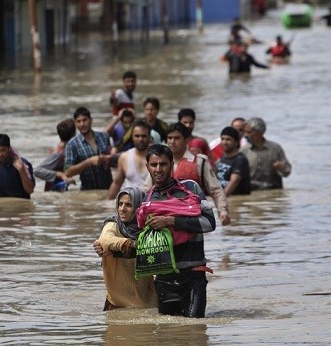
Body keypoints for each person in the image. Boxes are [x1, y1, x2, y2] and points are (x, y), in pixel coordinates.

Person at [141, 144, 216, 318]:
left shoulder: (191, 189)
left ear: (171, 165)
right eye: (154, 165)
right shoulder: (147, 200)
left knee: (195, 331)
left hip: (193, 274)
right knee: (169, 335)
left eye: (163, 164)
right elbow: (137, 235)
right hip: (163, 278)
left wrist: (171, 221)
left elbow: (209, 223)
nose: (158, 169)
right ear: (147, 167)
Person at [146, 122, 231, 226]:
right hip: (163, 219)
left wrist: (223, 211)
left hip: (192, 219)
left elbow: (216, 190)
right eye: (169, 138)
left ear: (186, 140)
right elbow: (146, 191)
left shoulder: (199, 162)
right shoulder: (158, 164)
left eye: (176, 138)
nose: (172, 142)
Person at [97, 186, 158, 311]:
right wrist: (130, 245)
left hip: (147, 302)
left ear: (138, 208)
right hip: (116, 304)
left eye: (129, 205)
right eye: (120, 204)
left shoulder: (149, 228)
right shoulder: (113, 225)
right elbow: (106, 240)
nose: (122, 209)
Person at [64, 107, 113, 190]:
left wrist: (107, 158)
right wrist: (88, 162)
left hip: (109, 189)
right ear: (75, 123)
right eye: (79, 121)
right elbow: (68, 172)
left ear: (91, 120)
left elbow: (112, 158)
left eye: (85, 120)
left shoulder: (104, 137)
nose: (82, 124)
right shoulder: (72, 144)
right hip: (89, 191)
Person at [240, 117, 292, 190]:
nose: (245, 135)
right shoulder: (243, 151)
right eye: (244, 132)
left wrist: (281, 167)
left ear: (259, 133)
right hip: (251, 193)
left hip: (273, 192)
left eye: (249, 132)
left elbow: (287, 172)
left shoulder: (275, 148)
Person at [106, 121, 151, 200]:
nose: (140, 139)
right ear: (132, 137)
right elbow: (117, 183)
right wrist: (106, 204)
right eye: (137, 136)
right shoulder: (124, 157)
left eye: (144, 136)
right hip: (129, 203)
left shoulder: (156, 157)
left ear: (149, 137)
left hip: (150, 203)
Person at [34, 118, 76, 191]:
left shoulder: (67, 149)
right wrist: (60, 174)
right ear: (74, 134)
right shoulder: (58, 152)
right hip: (53, 189)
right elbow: (37, 171)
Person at [0, 134, 35, 199]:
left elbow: (30, 190)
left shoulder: (23, 164)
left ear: (9, 148)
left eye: (3, 150)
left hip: (20, 205)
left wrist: (21, 170)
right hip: (1, 205)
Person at [215, 127, 251, 195]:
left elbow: (234, 182)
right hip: (222, 197)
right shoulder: (223, 158)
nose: (224, 142)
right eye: (222, 139)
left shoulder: (240, 160)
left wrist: (221, 200)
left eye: (228, 139)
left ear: (236, 142)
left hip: (236, 200)